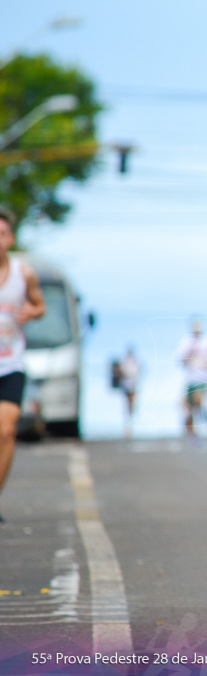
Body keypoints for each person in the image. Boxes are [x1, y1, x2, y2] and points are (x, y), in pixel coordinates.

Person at [0, 206, 46, 524]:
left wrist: (32, 312)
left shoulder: (23, 273)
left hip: (10, 362)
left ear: (11, 238)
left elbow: (40, 305)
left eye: (1, 234)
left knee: (6, 430)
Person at [175, 320, 207, 441]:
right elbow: (180, 359)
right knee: (190, 407)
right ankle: (192, 431)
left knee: (199, 401)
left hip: (203, 378)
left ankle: (206, 421)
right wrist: (189, 353)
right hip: (190, 379)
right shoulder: (186, 341)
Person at [120, 346, 141, 438]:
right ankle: (128, 425)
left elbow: (137, 372)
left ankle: (130, 424)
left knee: (130, 405)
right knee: (128, 405)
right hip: (127, 385)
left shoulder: (133, 361)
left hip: (131, 385)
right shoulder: (126, 361)